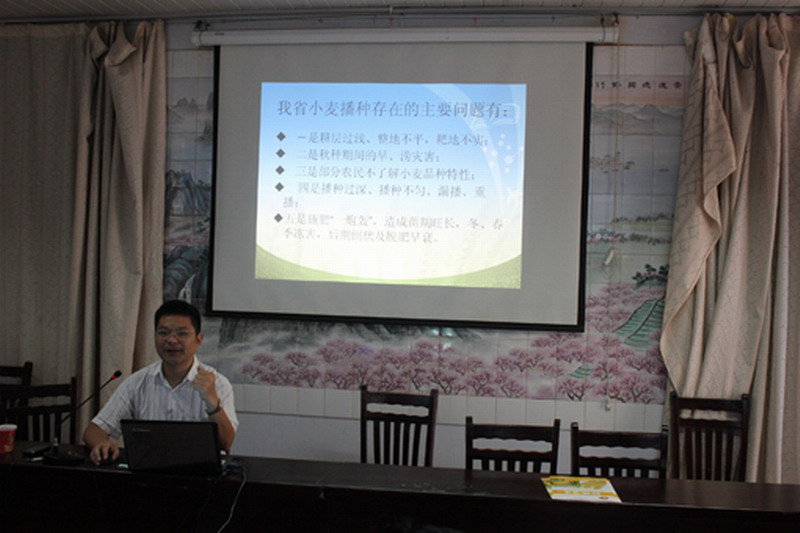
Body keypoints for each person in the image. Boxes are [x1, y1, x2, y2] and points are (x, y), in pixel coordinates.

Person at [83, 299, 238, 465]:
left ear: (199, 339)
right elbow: (94, 430)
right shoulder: (137, 382)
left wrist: (212, 401)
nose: (172, 340)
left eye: (182, 334)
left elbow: (226, 443)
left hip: (200, 474)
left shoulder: (218, 383)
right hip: (149, 472)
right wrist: (102, 443)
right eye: (163, 333)